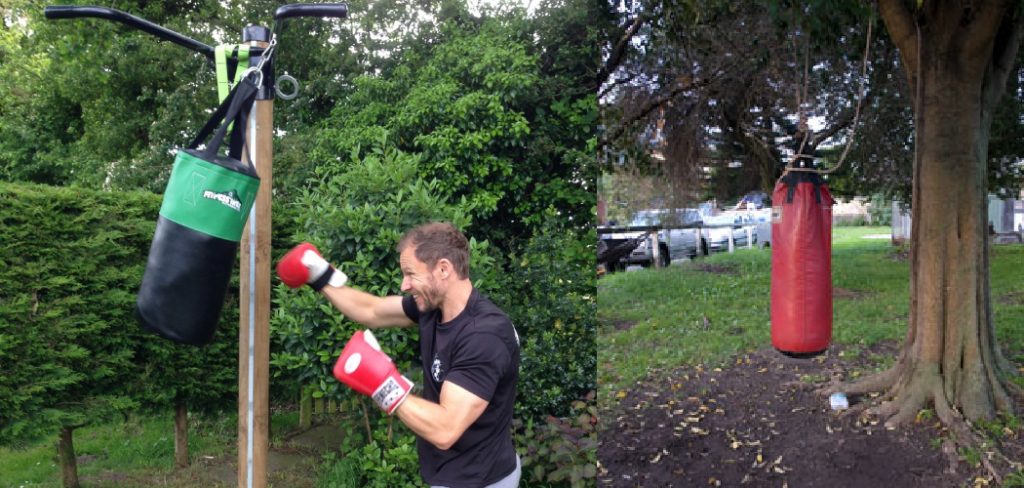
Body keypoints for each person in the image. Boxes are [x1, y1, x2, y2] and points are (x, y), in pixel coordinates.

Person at [276, 222, 521, 488]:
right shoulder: (432, 307)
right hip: (453, 472)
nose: (404, 285)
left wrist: (384, 385)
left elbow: (445, 429)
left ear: (443, 269)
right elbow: (372, 310)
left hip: (480, 480)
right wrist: (320, 277)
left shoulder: (484, 336)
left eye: (410, 274)